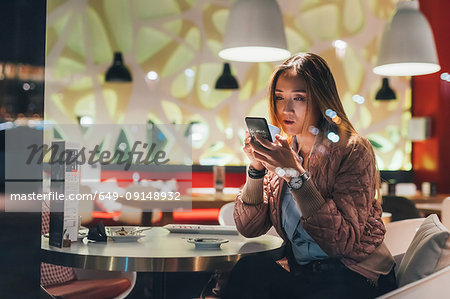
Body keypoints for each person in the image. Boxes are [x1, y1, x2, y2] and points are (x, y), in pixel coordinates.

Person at [222, 53, 397, 299]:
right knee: (247, 270)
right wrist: (256, 167)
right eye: (279, 97)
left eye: (299, 98)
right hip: (308, 276)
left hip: (356, 277)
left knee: (250, 276)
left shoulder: (353, 148)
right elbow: (249, 228)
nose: (286, 108)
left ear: (320, 100)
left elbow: (339, 243)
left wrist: (295, 174)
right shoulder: (285, 149)